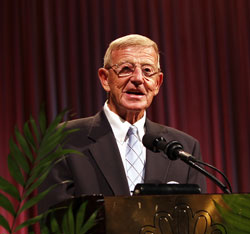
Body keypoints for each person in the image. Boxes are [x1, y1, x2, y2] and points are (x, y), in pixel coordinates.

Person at [38, 34, 206, 213]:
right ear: (105, 79)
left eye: (148, 71)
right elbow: (54, 221)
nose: (138, 79)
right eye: (126, 69)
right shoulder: (65, 139)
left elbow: (197, 222)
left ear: (157, 83)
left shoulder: (184, 148)